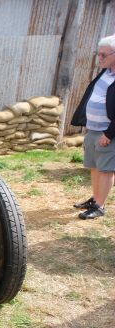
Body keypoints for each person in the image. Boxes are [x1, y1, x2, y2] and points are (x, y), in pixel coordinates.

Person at [71, 35, 115, 220]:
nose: (100, 58)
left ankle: (100, 205)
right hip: (94, 128)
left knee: (105, 168)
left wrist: (109, 133)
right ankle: (95, 198)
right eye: (98, 54)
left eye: (103, 55)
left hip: (107, 132)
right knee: (94, 165)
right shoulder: (106, 72)